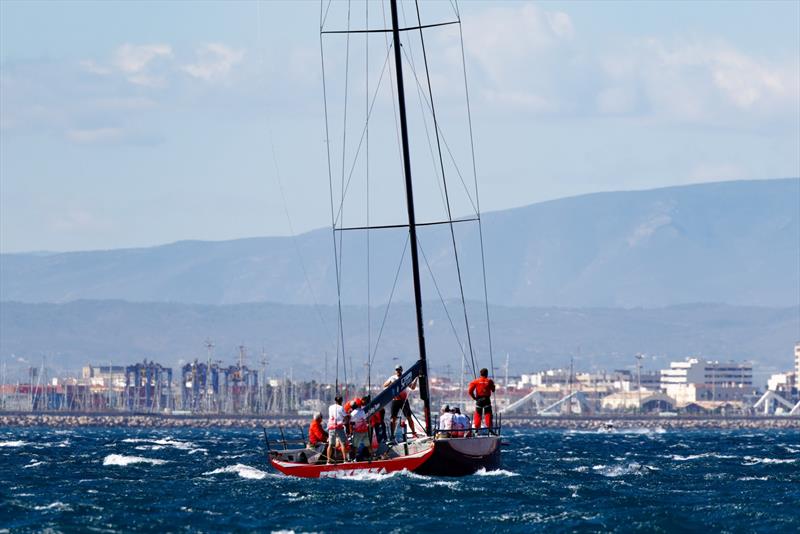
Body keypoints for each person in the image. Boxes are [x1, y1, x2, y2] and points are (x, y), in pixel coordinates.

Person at [383, 364, 417, 439]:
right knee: (393, 418)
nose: (398, 371)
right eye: (397, 370)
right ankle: (392, 435)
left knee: (409, 417)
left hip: (404, 400)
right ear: (395, 371)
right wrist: (391, 383)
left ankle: (414, 433)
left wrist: (416, 379)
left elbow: (413, 387)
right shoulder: (392, 378)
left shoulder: (405, 378)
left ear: (401, 370)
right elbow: (384, 385)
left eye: (399, 370)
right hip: (395, 400)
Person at [326, 395, 349, 463]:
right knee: (343, 443)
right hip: (338, 427)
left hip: (331, 427)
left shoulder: (330, 407)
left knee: (330, 444)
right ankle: (345, 460)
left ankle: (328, 461)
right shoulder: (341, 408)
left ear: (335, 400)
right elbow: (345, 417)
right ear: (341, 401)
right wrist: (348, 418)